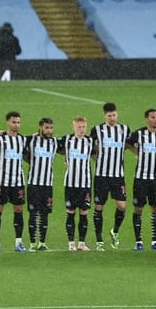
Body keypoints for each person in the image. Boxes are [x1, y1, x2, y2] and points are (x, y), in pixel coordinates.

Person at [90, 102, 130, 251]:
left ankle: (115, 231)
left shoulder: (124, 129)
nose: (112, 118)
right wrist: (97, 158)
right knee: (99, 206)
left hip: (118, 175)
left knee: (122, 205)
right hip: (101, 175)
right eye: (109, 116)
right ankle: (99, 240)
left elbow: (129, 145)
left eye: (114, 115)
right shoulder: (97, 130)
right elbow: (90, 147)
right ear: (104, 116)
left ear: (117, 114)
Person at [126, 108, 156, 251]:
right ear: (147, 119)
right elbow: (127, 144)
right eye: (153, 117)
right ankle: (139, 241)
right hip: (141, 178)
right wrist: (136, 152)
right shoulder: (139, 134)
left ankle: (155, 241)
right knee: (138, 208)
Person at [0, 111, 27, 253]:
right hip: (2, 182)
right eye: (13, 122)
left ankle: (18, 242)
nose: (16, 125)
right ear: (8, 123)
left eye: (18, 122)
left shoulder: (23, 140)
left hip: (18, 182)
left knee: (18, 210)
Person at [59, 116, 96, 251]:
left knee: (84, 212)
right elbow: (50, 143)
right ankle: (71, 243)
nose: (81, 129)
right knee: (70, 211)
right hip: (70, 183)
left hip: (85, 183)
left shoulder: (90, 141)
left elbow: (95, 155)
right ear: (73, 127)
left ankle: (81, 243)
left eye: (83, 127)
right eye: (78, 127)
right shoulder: (66, 140)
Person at [22, 117, 58, 251]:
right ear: (40, 128)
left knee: (45, 213)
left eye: (51, 128)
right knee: (33, 213)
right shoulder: (30, 140)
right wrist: (1, 133)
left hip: (48, 184)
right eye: (46, 128)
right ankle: (32, 243)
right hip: (33, 183)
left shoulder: (55, 142)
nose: (49, 131)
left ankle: (42, 243)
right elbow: (16, 139)